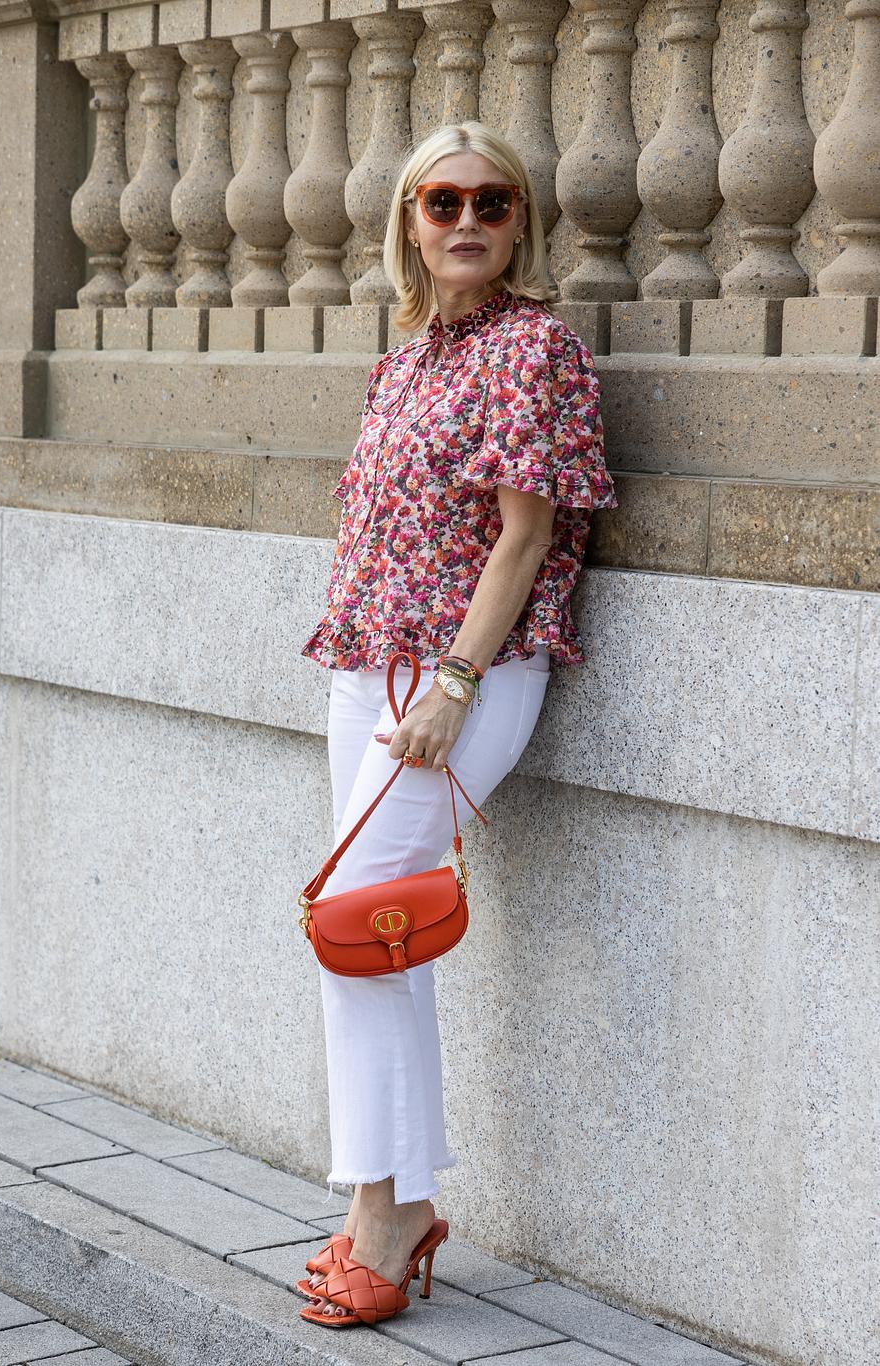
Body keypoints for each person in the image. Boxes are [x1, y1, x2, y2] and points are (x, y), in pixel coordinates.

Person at [295, 119, 619, 1328]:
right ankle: (397, 1200)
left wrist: (455, 683)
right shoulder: (402, 362)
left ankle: (382, 1216)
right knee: (376, 935)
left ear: (520, 220)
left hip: (459, 676)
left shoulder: (533, 349)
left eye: (493, 201)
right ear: (411, 222)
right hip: (365, 668)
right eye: (444, 202)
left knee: (350, 922)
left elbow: (524, 537)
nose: (469, 220)